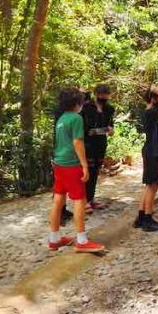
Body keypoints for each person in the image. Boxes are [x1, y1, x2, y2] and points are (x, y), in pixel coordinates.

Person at [48, 88, 105, 253]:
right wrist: (84, 165)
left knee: (58, 200)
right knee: (80, 200)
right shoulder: (76, 118)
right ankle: (82, 241)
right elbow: (77, 142)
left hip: (59, 163)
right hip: (71, 164)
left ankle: (54, 239)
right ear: (77, 103)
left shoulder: (61, 118)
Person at [134, 85, 158, 231]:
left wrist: (157, 92)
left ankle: (141, 216)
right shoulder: (151, 112)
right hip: (153, 151)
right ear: (154, 98)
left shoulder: (147, 112)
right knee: (152, 186)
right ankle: (148, 219)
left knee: (149, 185)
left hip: (150, 150)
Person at [81, 84, 115, 212]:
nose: (104, 98)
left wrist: (109, 130)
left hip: (101, 144)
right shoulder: (86, 107)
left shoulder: (109, 109)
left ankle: (91, 198)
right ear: (96, 94)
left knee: (96, 171)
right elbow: (88, 130)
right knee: (87, 172)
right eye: (101, 95)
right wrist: (104, 130)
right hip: (88, 145)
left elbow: (110, 126)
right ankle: (84, 200)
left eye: (106, 96)